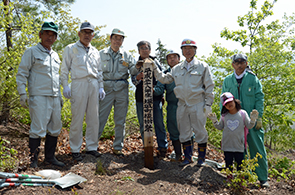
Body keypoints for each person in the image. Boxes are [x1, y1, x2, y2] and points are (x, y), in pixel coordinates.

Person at [137, 39, 214, 166]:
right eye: (185, 49)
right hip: (182, 104)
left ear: (195, 50)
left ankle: (201, 159)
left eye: (190, 48)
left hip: (197, 102)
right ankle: (187, 157)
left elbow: (210, 86)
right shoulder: (177, 69)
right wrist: (154, 66)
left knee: (200, 131)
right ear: (182, 51)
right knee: (184, 132)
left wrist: (208, 104)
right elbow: (163, 78)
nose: (188, 51)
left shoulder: (202, 66)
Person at [16, 21, 65, 168]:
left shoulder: (55, 55)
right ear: (40, 35)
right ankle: (33, 160)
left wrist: (60, 96)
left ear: (56, 38)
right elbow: (22, 73)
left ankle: (50, 158)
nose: (50, 37)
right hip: (39, 96)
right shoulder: (31, 52)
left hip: (55, 97)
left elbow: (56, 77)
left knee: (55, 128)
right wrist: (22, 93)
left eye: (53, 35)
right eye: (47, 34)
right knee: (37, 129)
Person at [221, 53, 269, 187]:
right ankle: (244, 176)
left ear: (246, 64)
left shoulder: (253, 79)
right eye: (237, 62)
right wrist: (223, 117)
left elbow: (260, 97)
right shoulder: (228, 80)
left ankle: (262, 178)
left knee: (257, 147)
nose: (240, 65)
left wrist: (258, 117)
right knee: (238, 149)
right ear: (233, 65)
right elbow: (222, 100)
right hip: (234, 121)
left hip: (251, 120)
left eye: (242, 62)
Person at [61, 22, 105, 161]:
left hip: (93, 84)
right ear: (79, 33)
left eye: (89, 32)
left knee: (93, 118)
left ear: (93, 35)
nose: (87, 35)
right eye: (84, 32)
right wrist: (65, 85)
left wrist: (101, 86)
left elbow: (99, 71)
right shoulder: (71, 48)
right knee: (77, 117)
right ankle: (75, 148)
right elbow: (64, 69)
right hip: (78, 83)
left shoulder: (95, 51)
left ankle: (91, 147)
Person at [98, 28, 139, 157]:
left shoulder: (126, 55)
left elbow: (133, 71)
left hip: (122, 89)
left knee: (120, 120)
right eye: (115, 38)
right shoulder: (101, 54)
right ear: (110, 39)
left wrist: (139, 67)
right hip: (106, 89)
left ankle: (117, 147)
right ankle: (92, 145)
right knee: (100, 118)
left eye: (120, 38)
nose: (117, 41)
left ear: (122, 41)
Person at [132, 41, 168, 158]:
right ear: (138, 51)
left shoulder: (155, 62)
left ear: (150, 50)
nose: (144, 50)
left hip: (155, 98)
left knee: (158, 123)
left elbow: (161, 78)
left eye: (146, 48)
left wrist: (158, 92)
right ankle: (147, 147)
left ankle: (162, 147)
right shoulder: (136, 64)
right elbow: (132, 78)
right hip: (140, 98)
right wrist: (137, 78)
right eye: (141, 48)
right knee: (144, 124)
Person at [208, 92, 258, 171]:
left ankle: (240, 181)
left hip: (239, 145)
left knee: (240, 165)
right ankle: (229, 180)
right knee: (228, 165)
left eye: (230, 101)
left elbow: (249, 126)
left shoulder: (243, 114)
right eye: (227, 103)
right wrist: (215, 121)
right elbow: (220, 127)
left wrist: (253, 120)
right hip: (227, 145)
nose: (229, 104)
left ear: (234, 101)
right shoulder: (224, 116)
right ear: (224, 106)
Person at [153, 50, 182, 160]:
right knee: (173, 129)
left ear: (179, 59)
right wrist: (151, 90)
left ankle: (188, 155)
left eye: (174, 57)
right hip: (172, 105)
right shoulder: (165, 74)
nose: (172, 59)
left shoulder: (186, 71)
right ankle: (178, 155)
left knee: (187, 129)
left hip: (186, 104)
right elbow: (159, 89)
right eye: (169, 57)